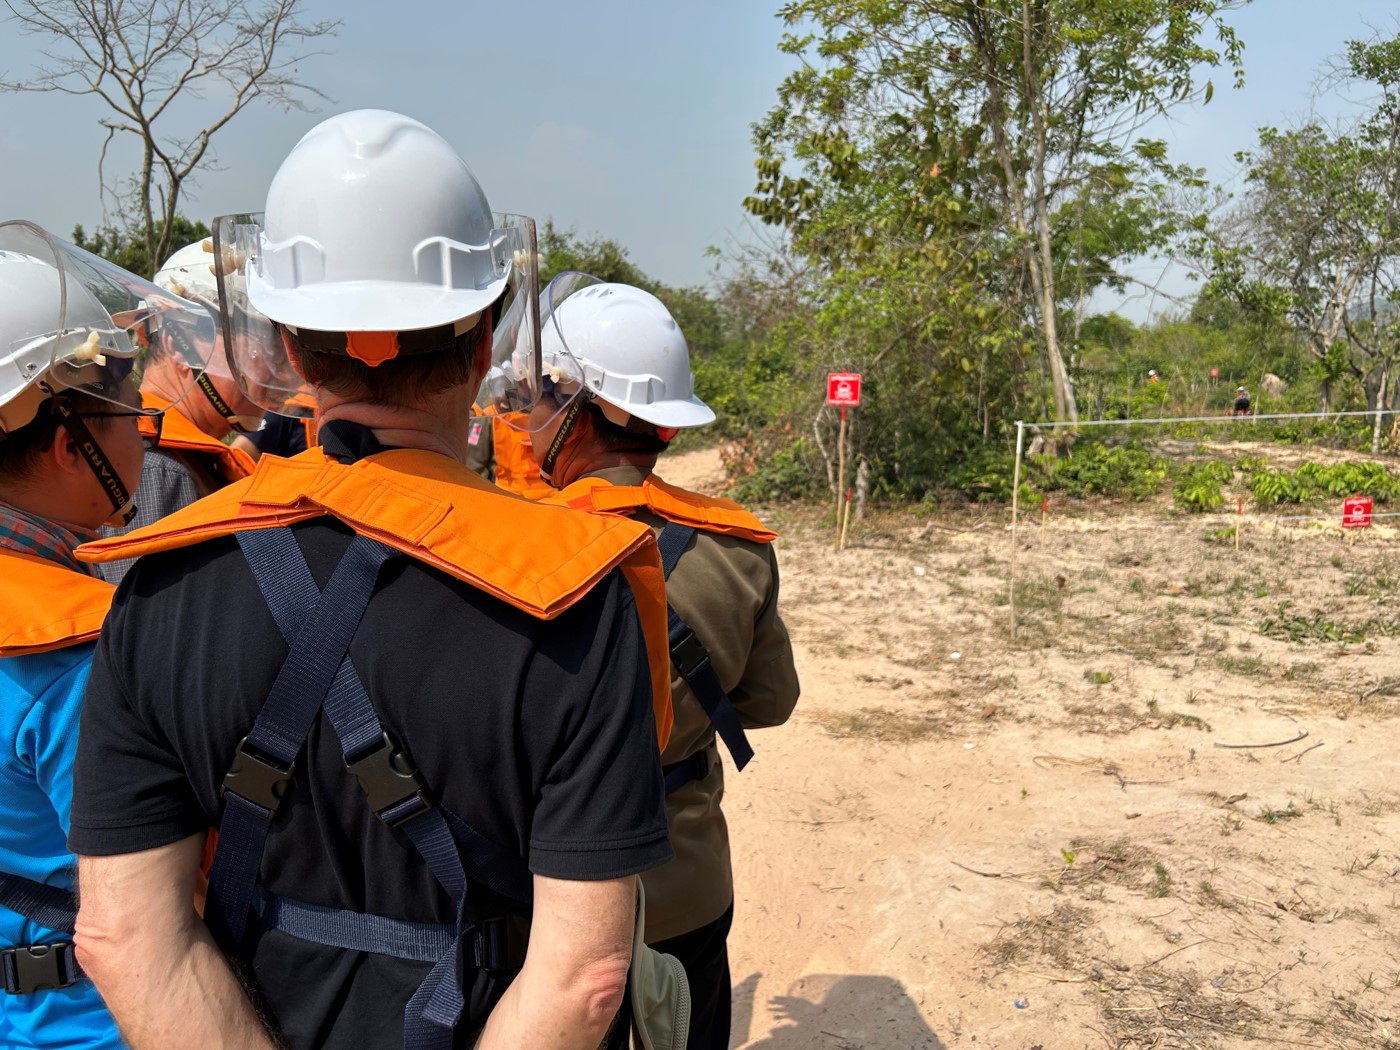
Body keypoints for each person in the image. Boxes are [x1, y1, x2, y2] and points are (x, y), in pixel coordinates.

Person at [68, 110, 678, 1050]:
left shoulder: (157, 586)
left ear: (284, 341)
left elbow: (120, 935)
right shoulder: (575, 594)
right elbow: (585, 977)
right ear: (484, 343)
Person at [529, 277, 801, 1050]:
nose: (528, 419)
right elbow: (770, 701)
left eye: (543, 401)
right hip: (686, 882)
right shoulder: (737, 545)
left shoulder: (510, 545)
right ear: (664, 427)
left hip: (550, 894)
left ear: (577, 412)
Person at [0, 220, 163, 1048]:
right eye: (132, 418)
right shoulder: (73, 655)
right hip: (80, 1023)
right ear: (71, 446)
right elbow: (156, 901)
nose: (141, 438)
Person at [95, 239, 263, 583]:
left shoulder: (182, 461)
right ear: (181, 345)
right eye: (255, 345)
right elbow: (142, 627)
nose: (269, 364)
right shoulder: (154, 469)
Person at [465, 403, 555, 499]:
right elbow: (472, 468)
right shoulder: (557, 414)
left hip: (513, 501)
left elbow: (470, 470)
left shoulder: (487, 416)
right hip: (547, 502)